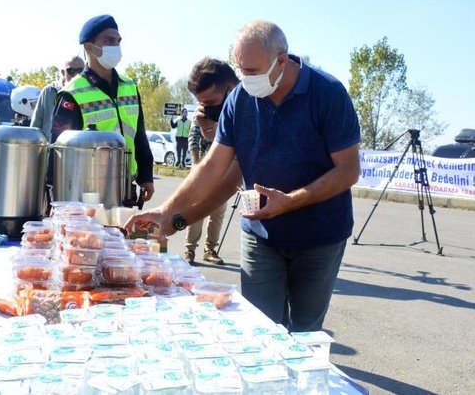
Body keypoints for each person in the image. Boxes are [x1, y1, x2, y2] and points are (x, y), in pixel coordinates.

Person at [127, 21, 361, 332]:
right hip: (261, 236)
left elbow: (348, 170)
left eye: (252, 71)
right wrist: (166, 212)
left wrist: (290, 201)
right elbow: (213, 168)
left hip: (319, 237)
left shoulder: (327, 94)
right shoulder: (240, 101)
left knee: (305, 331)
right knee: (259, 328)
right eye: (242, 70)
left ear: (281, 60)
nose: (246, 80)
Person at [52, 14, 154, 205]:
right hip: (87, 193)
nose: (115, 46)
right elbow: (57, 149)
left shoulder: (129, 86)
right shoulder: (72, 93)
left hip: (125, 188)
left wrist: (146, 176)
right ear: (88, 47)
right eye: (108, 41)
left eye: (118, 41)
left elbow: (139, 135)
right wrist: (53, 197)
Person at [182, 57, 241, 265]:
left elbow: (229, 145)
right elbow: (197, 140)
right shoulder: (202, 114)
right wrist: (196, 165)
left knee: (217, 212)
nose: (207, 107)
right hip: (205, 168)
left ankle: (210, 249)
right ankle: (190, 250)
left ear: (229, 88)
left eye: (211, 103)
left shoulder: (244, 107)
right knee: (196, 211)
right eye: (202, 103)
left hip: (224, 173)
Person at [31, 56, 85, 140]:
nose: (75, 75)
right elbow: (35, 125)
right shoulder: (49, 91)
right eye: (71, 71)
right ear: (63, 73)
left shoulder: (88, 93)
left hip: (76, 147)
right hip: (50, 147)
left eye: (80, 71)